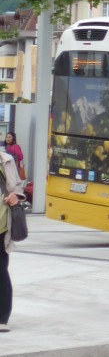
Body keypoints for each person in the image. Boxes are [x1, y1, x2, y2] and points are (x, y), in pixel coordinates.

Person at [0, 142, 26, 332]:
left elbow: (18, 188)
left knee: (1, 271)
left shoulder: (6, 161)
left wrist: (15, 196)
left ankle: (1, 317)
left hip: (2, 225)